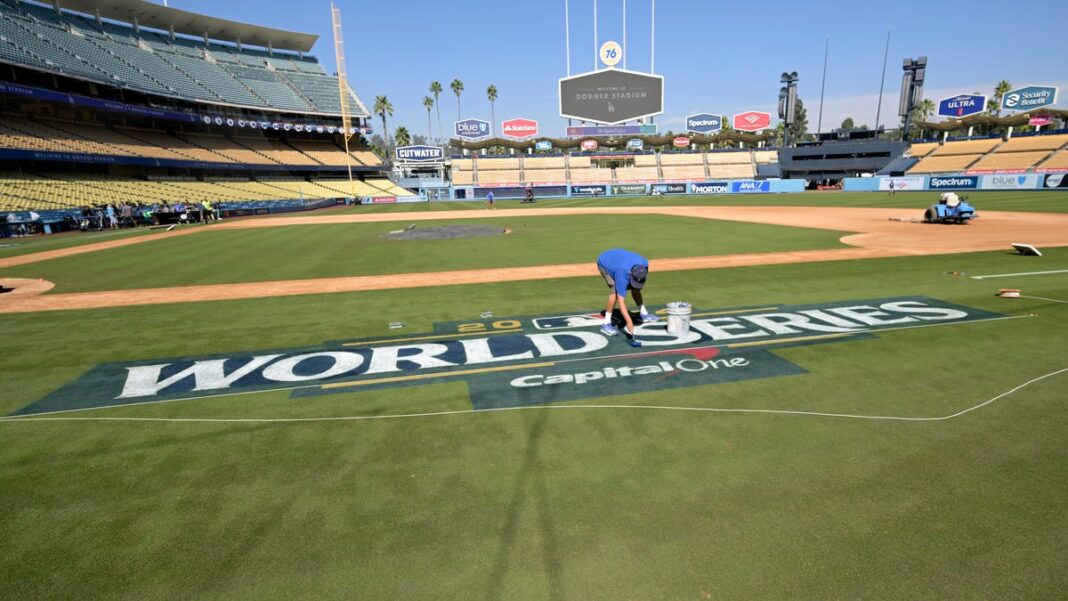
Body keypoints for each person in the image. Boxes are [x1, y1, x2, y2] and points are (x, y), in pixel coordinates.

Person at [596, 248, 658, 337]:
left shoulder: (644, 264)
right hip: (605, 261)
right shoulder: (622, 275)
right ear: (630, 274)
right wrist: (629, 322)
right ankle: (606, 323)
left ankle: (643, 313)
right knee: (615, 291)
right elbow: (621, 301)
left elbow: (637, 283)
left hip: (620, 259)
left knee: (636, 288)